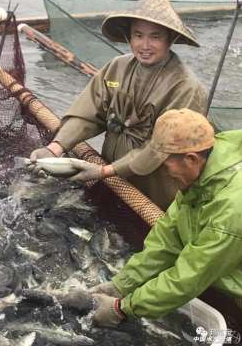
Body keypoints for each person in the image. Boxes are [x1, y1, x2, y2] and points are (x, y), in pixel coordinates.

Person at [65, 108, 242, 327]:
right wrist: (121, 285)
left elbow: (190, 276)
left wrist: (122, 308)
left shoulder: (232, 208)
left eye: (164, 165)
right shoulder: (201, 177)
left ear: (191, 159)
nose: (162, 173)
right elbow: (169, 238)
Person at [30, 0, 207, 210]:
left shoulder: (186, 87)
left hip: (155, 186)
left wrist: (105, 171)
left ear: (170, 40)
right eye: (138, 35)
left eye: (155, 37)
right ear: (128, 37)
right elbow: (89, 111)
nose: (145, 45)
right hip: (110, 172)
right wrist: (55, 148)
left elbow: (161, 147)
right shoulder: (117, 67)